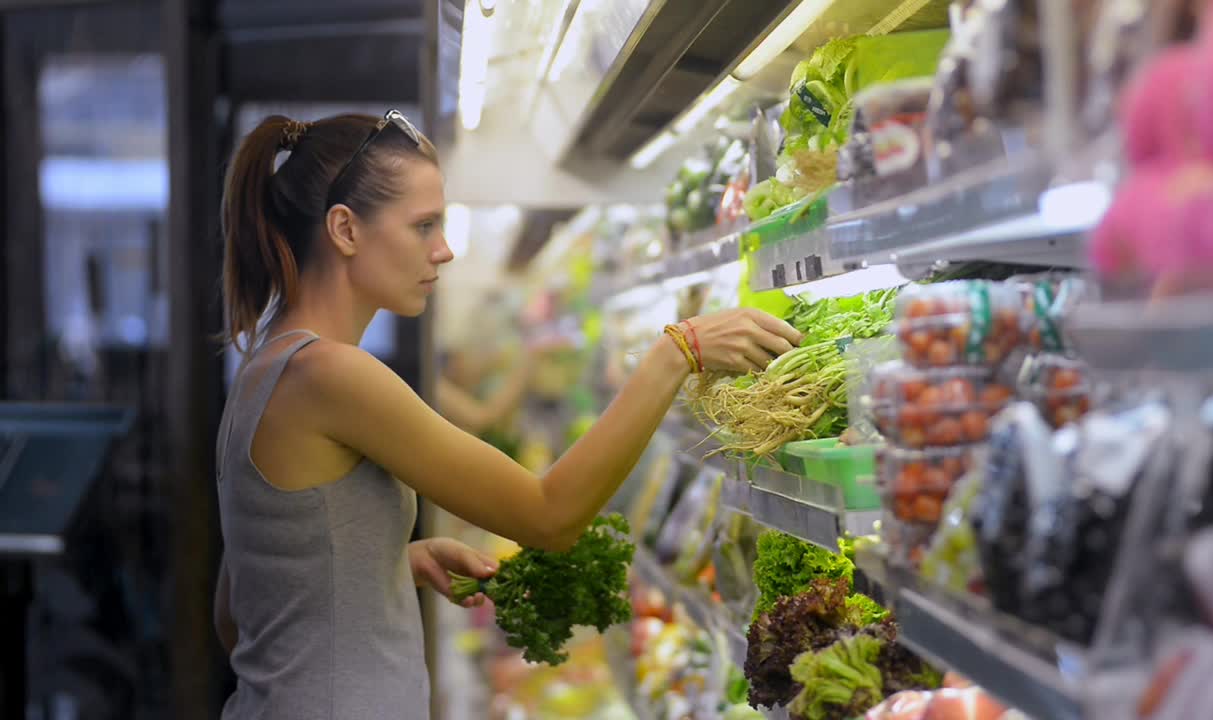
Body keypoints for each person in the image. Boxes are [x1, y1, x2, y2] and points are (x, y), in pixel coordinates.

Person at [212, 109, 802, 720]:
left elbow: (237, 610)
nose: (443, 251)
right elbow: (549, 517)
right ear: (345, 229)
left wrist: (382, 565)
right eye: (422, 226)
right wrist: (678, 351)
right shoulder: (332, 375)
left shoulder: (267, 369)